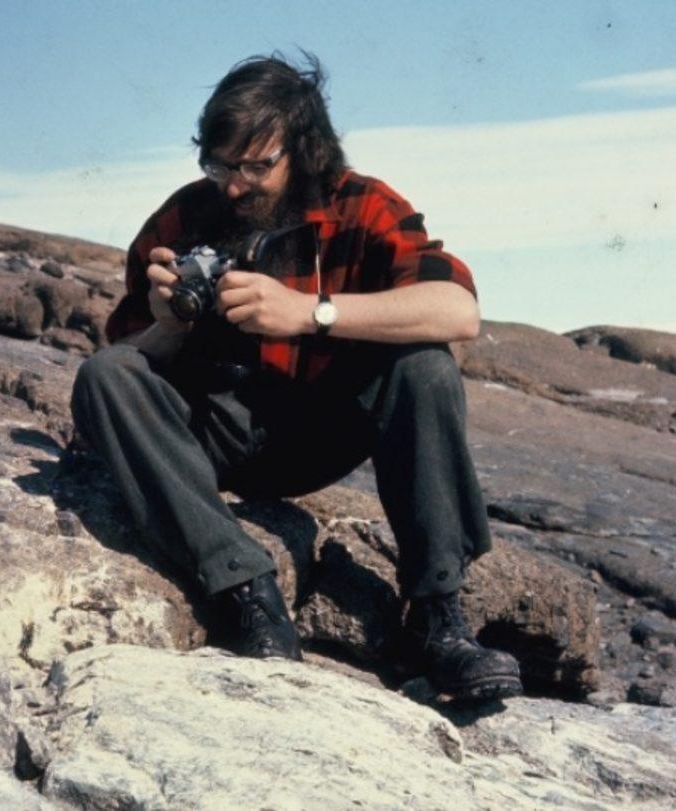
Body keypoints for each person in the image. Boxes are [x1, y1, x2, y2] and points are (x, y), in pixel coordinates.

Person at [70, 52, 522, 701]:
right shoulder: (184, 217)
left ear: (304, 150)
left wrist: (311, 312)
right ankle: (245, 592)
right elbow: (126, 359)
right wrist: (166, 327)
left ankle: (437, 616)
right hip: (212, 430)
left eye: (255, 166)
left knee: (424, 365)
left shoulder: (361, 204)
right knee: (106, 374)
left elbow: (458, 311)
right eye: (219, 165)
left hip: (320, 428)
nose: (233, 186)